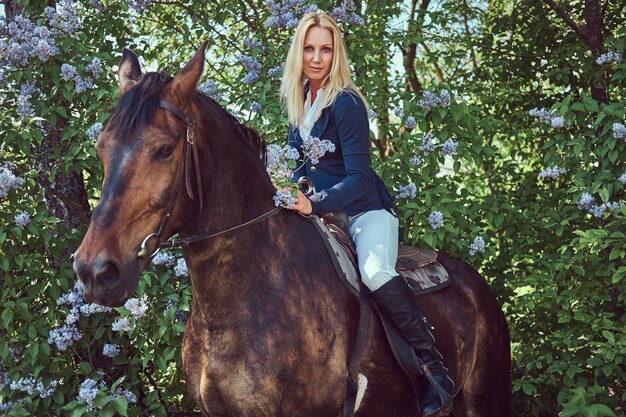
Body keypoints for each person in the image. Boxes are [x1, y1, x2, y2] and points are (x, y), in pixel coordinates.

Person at [280, 11, 455, 417]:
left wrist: (316, 202)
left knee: (375, 271)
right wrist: (293, 190)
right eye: (309, 48)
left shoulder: (346, 102)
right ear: (299, 53)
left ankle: (435, 371)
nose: (317, 57)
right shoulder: (300, 103)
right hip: (323, 216)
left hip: (364, 212)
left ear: (336, 52)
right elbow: (300, 174)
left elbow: (359, 177)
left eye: (325, 49)